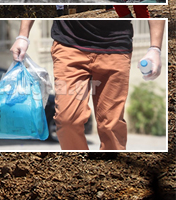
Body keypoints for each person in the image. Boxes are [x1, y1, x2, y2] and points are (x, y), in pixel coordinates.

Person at [10, 19, 164, 150]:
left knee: (111, 126)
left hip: (115, 47)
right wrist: (23, 36)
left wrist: (155, 48)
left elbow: (154, 8)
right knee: (67, 120)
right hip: (69, 46)